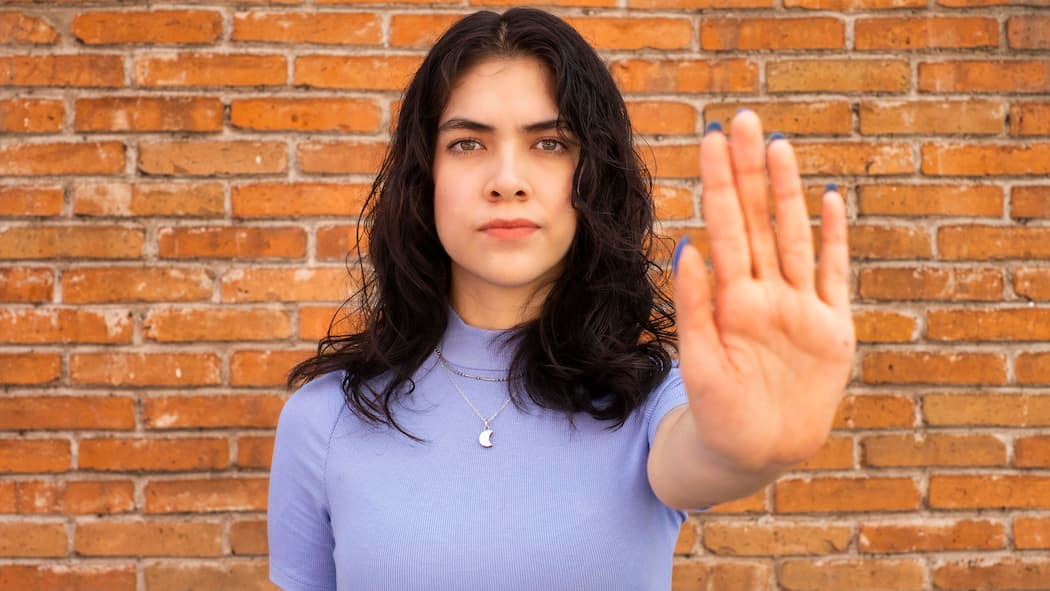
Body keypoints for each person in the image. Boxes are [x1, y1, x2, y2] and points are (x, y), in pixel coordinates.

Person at [267, 7, 855, 590]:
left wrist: (748, 451)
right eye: (467, 144)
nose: (507, 180)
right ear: (426, 180)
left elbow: (700, 458)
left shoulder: (655, 400)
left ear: (592, 176)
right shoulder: (325, 418)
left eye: (549, 144)